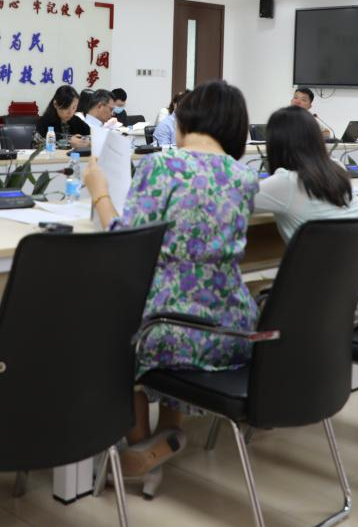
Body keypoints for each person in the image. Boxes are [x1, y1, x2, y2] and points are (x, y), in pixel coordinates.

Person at [84, 80, 259, 481]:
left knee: (124, 328)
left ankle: (139, 450)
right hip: (235, 330)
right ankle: (168, 435)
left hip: (172, 333)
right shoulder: (244, 177)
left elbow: (128, 244)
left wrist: (99, 193)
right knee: (166, 305)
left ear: (185, 119)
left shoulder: (161, 166)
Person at [253, 107, 358, 325]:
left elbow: (231, 201)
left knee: (248, 294)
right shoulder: (338, 169)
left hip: (316, 312)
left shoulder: (285, 182)